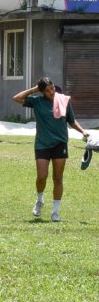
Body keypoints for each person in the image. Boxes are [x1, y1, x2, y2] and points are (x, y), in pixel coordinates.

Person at [13, 77, 89, 221]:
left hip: (60, 144)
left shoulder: (63, 101)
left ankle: (55, 212)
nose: (51, 92)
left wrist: (83, 131)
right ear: (42, 92)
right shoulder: (37, 102)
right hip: (42, 144)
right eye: (47, 90)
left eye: (52, 88)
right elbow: (16, 98)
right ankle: (40, 200)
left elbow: (71, 121)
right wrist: (35, 89)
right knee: (42, 177)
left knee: (58, 178)